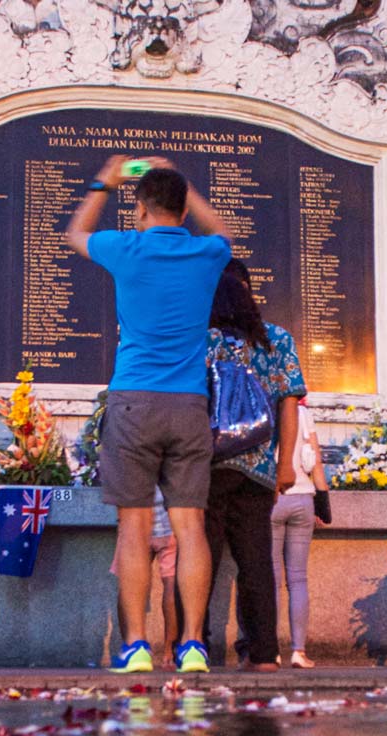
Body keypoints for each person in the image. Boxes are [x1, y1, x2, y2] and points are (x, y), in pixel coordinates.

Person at [66, 155, 233, 675]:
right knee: (191, 530)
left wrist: (105, 181)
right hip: (188, 404)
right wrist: (183, 183)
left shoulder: (127, 248)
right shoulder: (207, 254)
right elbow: (222, 229)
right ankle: (191, 645)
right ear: (183, 210)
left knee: (134, 530)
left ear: (139, 208)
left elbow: (76, 233)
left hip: (134, 400)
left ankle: (137, 643)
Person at [204, 268, 306, 671]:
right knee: (257, 562)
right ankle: (264, 654)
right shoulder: (275, 339)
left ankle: (192, 647)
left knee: (201, 559)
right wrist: (285, 466)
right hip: (259, 468)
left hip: (208, 465)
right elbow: (289, 404)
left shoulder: (200, 338)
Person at [272, 396, 330, 668]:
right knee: (298, 580)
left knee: (268, 579)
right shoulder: (303, 413)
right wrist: (323, 503)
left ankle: (268, 649)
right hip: (304, 498)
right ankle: (299, 651)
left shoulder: (262, 408)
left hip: (272, 499)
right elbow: (315, 461)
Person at [108, 486, 181, 667]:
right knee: (171, 584)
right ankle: (169, 653)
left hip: (137, 521)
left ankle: (132, 646)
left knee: (129, 585)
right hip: (171, 521)